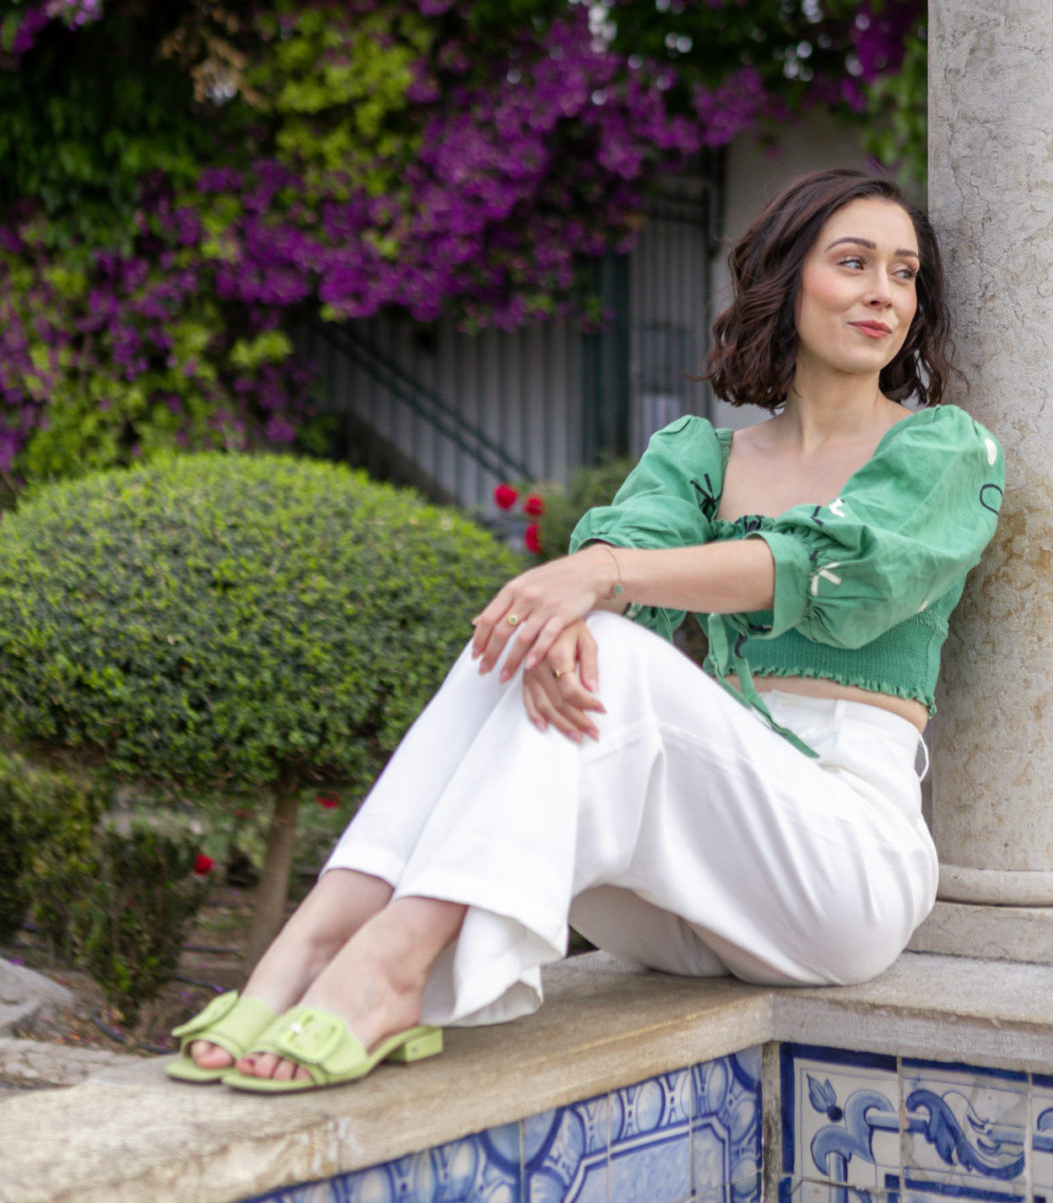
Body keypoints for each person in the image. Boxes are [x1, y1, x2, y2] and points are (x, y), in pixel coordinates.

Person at [167, 167, 1004, 1092]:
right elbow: (620, 554)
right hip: (682, 892)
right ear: (783, 277)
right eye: (853, 263)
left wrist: (597, 579)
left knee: (586, 627)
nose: (884, 292)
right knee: (525, 637)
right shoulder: (702, 455)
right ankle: (311, 943)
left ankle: (388, 970)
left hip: (840, 871)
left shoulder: (942, 452)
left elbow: (827, 569)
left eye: (905, 272)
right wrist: (577, 595)